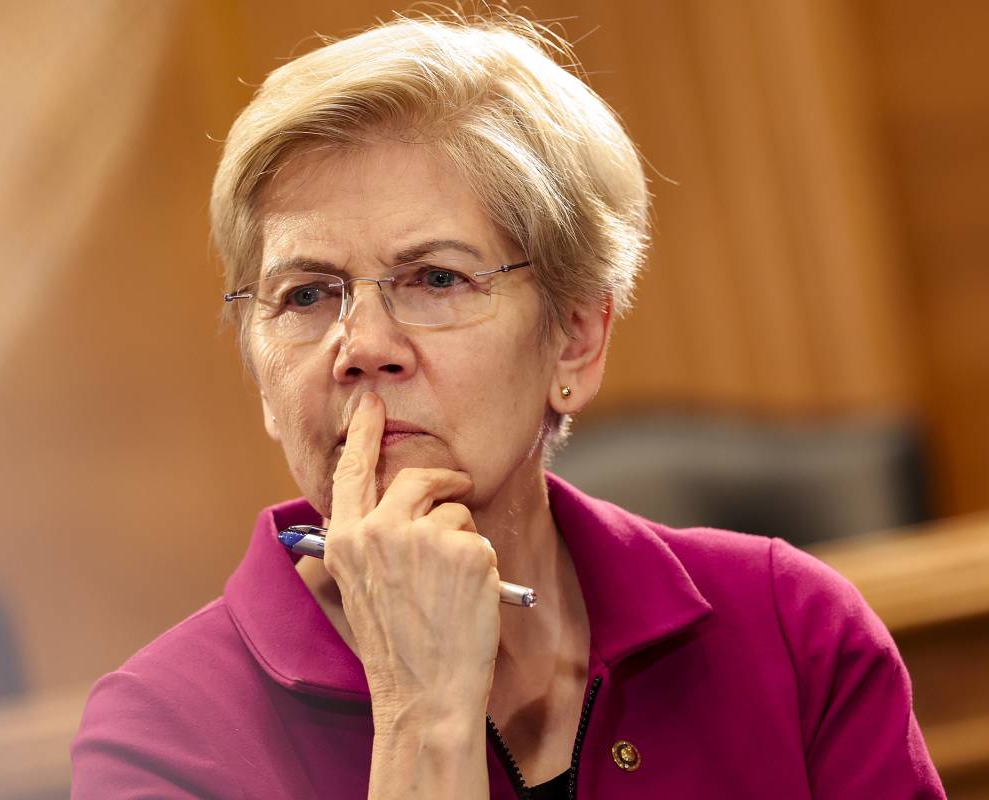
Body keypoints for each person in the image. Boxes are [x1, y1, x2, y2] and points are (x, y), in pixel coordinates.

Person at [70, 11, 943, 799]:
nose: (362, 344)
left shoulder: (791, 633)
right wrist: (423, 719)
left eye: (437, 278)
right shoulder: (163, 741)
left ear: (574, 340)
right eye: (306, 295)